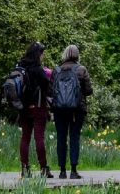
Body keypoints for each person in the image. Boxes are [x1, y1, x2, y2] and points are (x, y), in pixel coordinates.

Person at [51, 43, 94, 179]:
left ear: (65, 54)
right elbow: (88, 90)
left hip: (59, 110)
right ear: (77, 55)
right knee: (74, 137)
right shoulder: (81, 70)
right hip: (77, 109)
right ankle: (74, 171)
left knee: (61, 138)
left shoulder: (56, 70)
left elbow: (50, 91)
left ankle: (62, 171)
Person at [15, 40, 53, 179]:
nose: (43, 56)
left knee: (25, 138)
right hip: (38, 107)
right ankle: (43, 168)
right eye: (42, 54)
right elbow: (47, 86)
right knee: (39, 138)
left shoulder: (21, 68)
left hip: (23, 109)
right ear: (38, 54)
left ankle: (25, 169)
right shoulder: (38, 70)